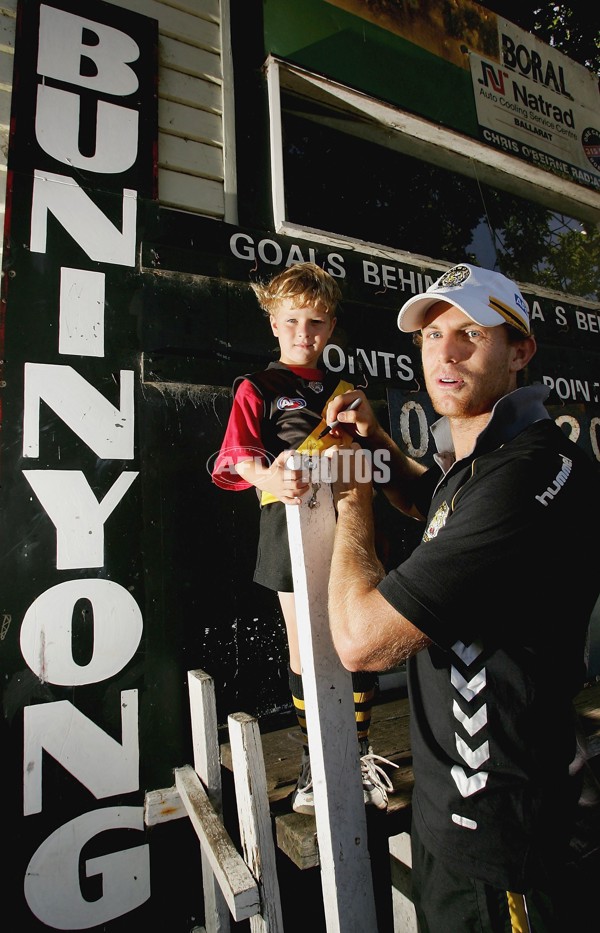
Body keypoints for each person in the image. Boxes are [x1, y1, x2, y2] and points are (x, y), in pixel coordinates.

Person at [323, 262, 600, 931]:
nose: (443, 351)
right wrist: (380, 444)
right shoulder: (490, 461)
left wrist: (354, 490)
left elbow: (361, 641)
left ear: (521, 350)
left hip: (499, 841)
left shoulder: (524, 474)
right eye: (431, 334)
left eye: (470, 332)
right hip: (452, 819)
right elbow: (437, 505)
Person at [211, 261, 395, 814]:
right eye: (291, 321)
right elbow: (232, 459)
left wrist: (366, 431)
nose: (302, 333)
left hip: (349, 524)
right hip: (285, 523)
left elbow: (380, 469)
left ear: (331, 325)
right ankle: (319, 761)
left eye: (315, 322)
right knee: (305, 645)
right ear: (273, 323)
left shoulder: (347, 393)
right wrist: (269, 476)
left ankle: (357, 752)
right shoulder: (257, 388)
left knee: (356, 638)